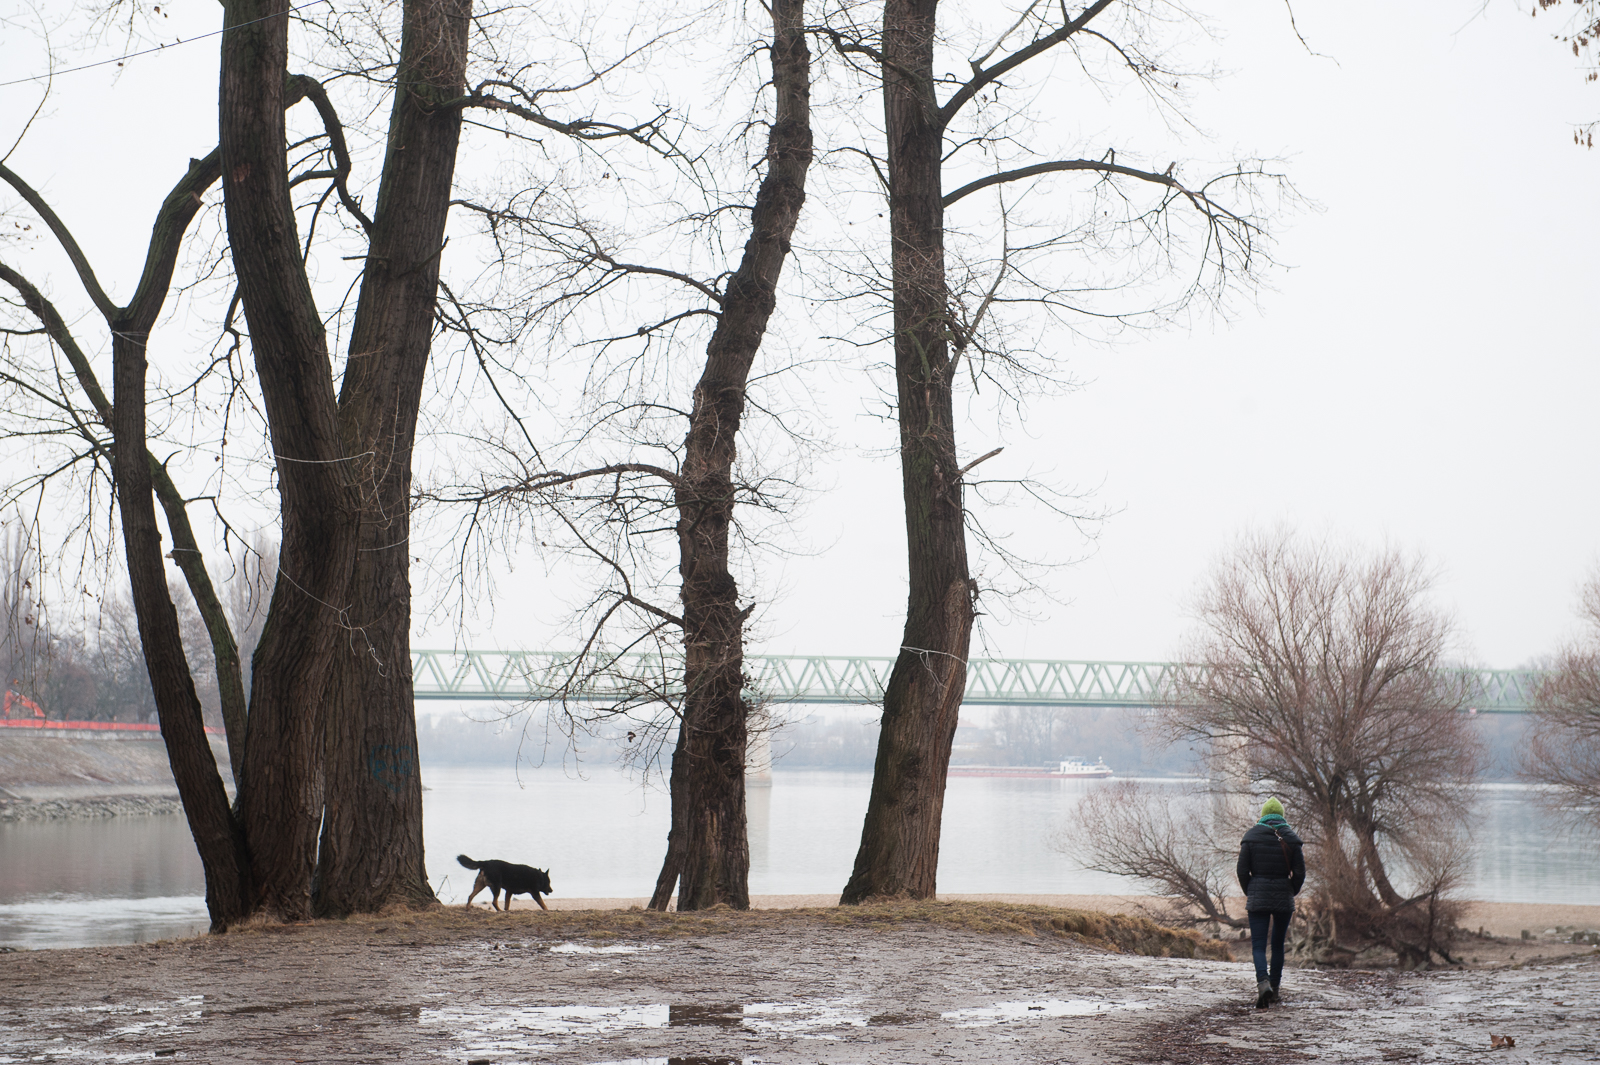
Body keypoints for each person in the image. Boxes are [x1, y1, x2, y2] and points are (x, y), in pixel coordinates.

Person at [1236, 796, 1305, 1008]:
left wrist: (1252, 890)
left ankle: (1262, 982)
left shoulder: (1251, 837)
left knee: (1258, 945)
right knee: (1277, 945)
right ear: (1281, 816)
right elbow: (1300, 873)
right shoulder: (1292, 839)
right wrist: (1290, 890)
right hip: (1283, 897)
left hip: (1258, 896)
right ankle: (1274, 990)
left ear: (1263, 815)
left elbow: (1241, 870)